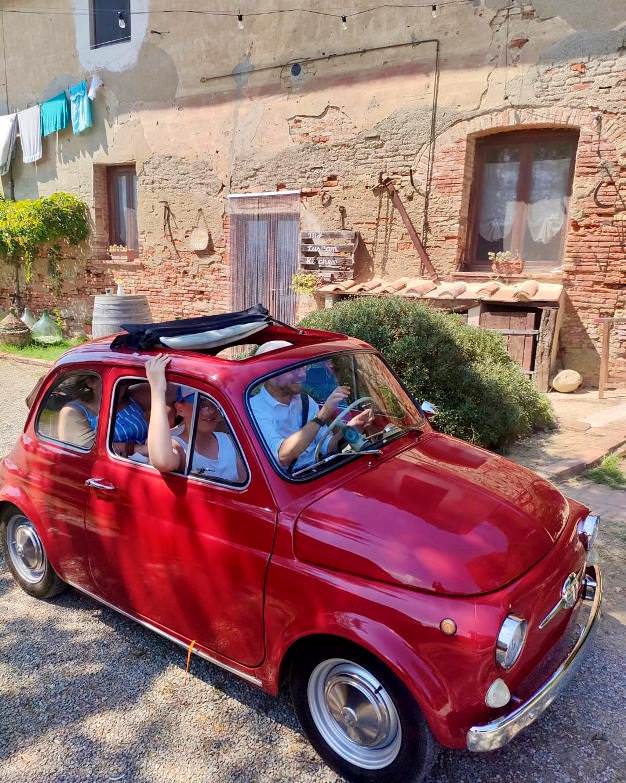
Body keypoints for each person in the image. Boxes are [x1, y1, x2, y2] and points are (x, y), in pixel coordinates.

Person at [249, 354, 374, 472]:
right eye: (293, 370)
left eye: (303, 367)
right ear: (270, 374)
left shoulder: (305, 400)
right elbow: (282, 457)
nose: (303, 375)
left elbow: (325, 447)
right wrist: (323, 414)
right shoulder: (254, 409)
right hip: (290, 483)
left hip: (317, 473)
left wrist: (351, 428)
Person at [145, 354, 245, 483]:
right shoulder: (178, 445)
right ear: (180, 409)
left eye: (213, 404)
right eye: (200, 403)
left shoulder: (228, 441)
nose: (209, 411)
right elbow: (162, 461)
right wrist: (158, 390)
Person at [58, 374, 149, 451]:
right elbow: (87, 450)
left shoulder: (134, 396)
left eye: (125, 382)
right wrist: (138, 449)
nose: (122, 386)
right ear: (90, 382)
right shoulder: (73, 411)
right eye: (111, 378)